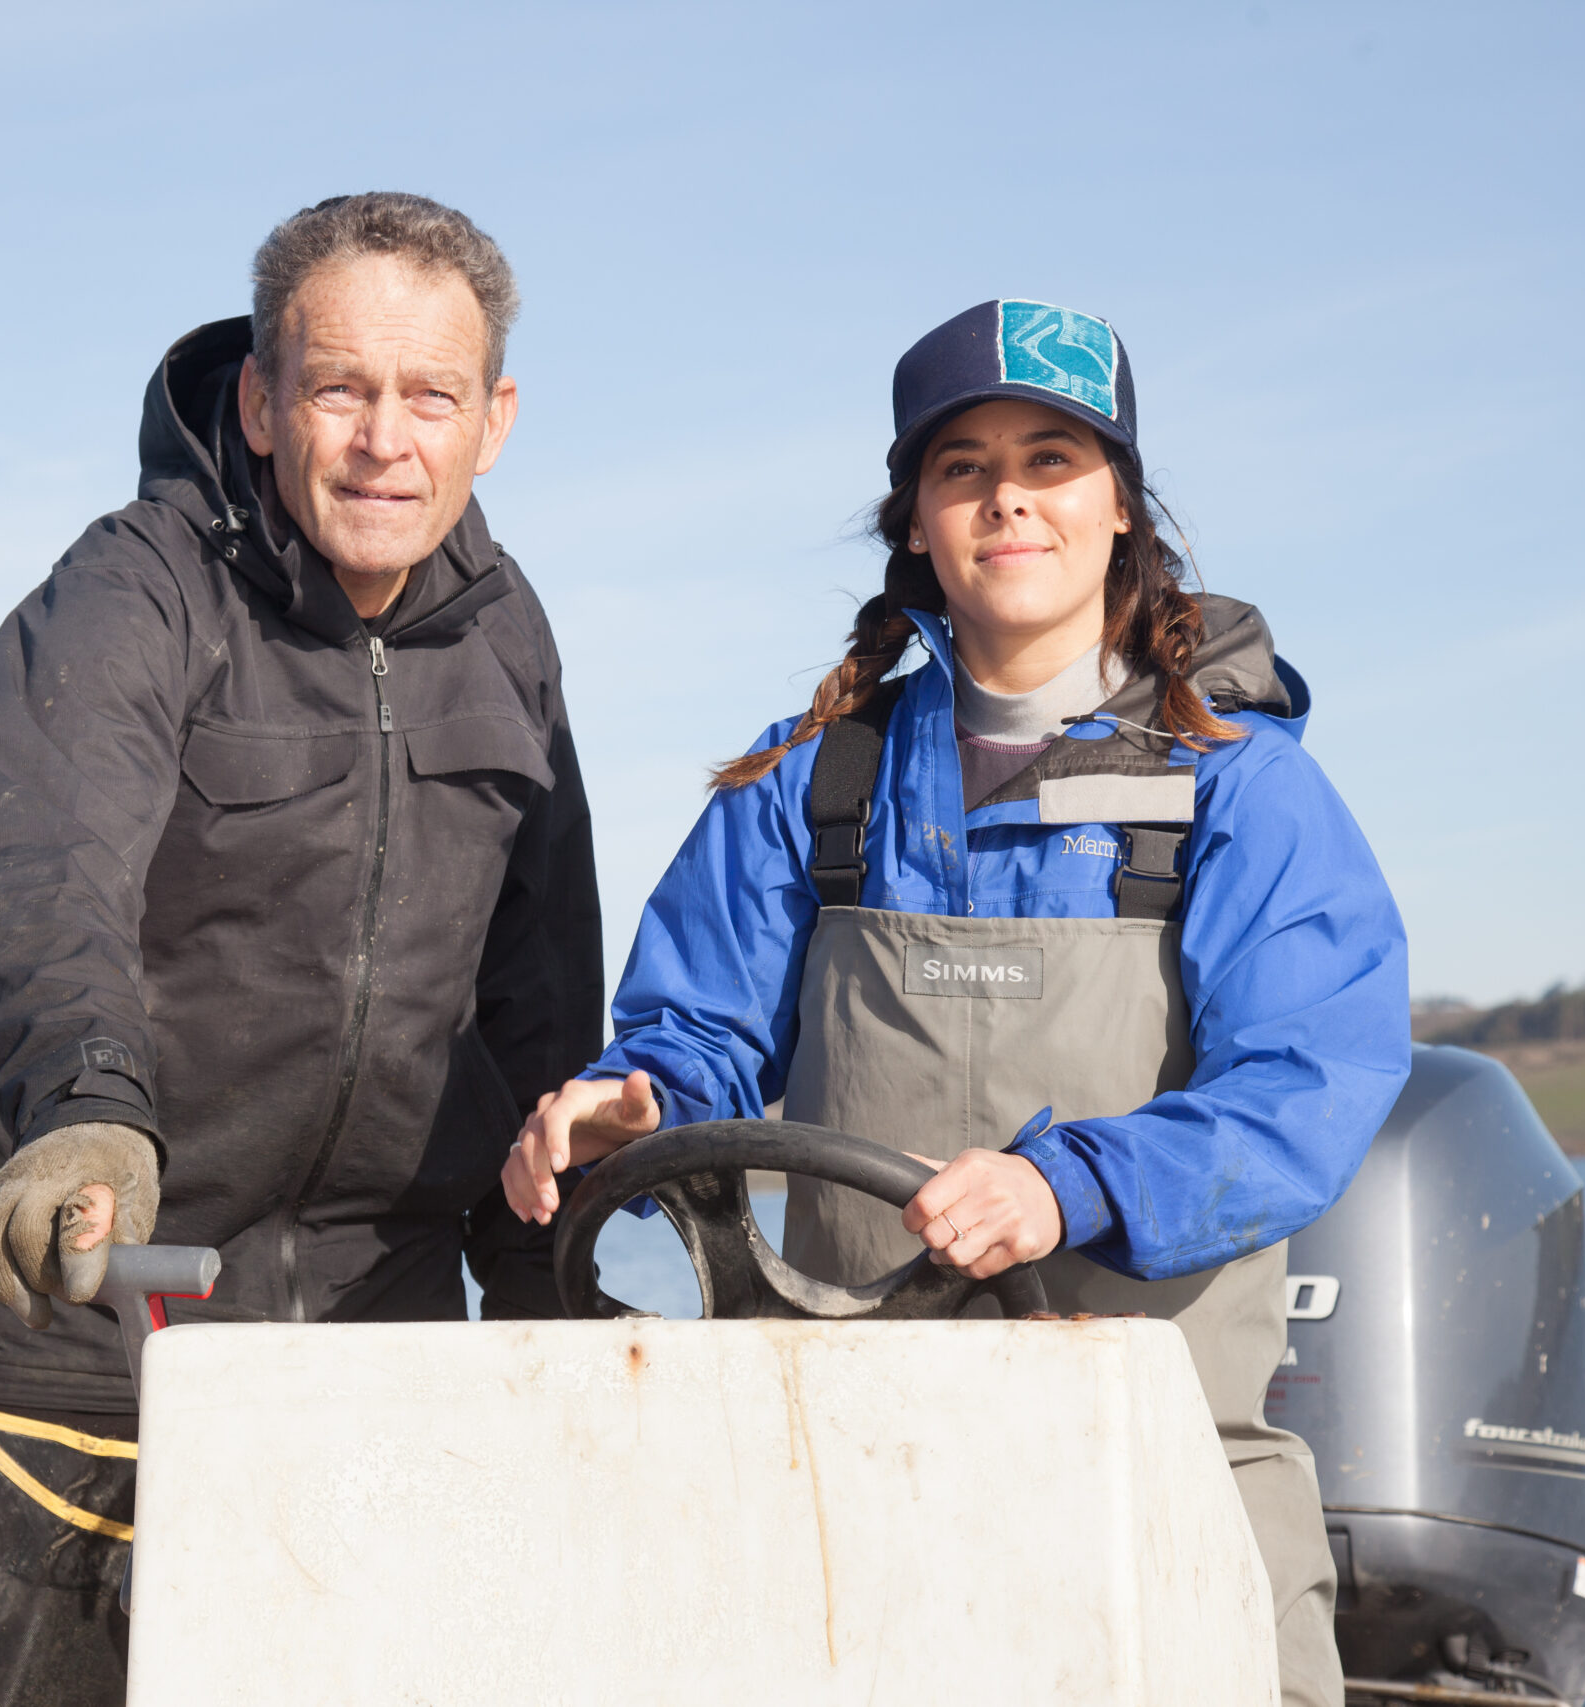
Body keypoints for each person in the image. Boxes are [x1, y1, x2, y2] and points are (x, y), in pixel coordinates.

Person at [503, 299, 1409, 1707]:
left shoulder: (1241, 789)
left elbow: (1307, 1086)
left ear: (1122, 510)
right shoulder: (813, 783)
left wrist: (1067, 1185)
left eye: (1052, 460)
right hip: (847, 1486)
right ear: (918, 520)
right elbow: (697, 1035)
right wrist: (636, 1102)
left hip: (1158, 1468)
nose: (1009, 499)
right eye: (964, 466)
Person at [0, 193, 602, 1707]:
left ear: (497, 419)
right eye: (341, 388)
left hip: (379, 1322)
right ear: (264, 401)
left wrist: (546, 1269)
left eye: (432, 396)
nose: (384, 441)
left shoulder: (508, 631)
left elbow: (541, 979)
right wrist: (85, 1103)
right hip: (92, 1316)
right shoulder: (136, 588)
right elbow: (31, 855)